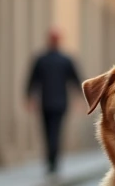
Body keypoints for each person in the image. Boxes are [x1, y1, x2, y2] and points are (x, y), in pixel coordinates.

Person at [25, 28, 82, 175]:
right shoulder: (60, 60)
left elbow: (75, 80)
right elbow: (33, 80)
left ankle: (52, 161)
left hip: (50, 102)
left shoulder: (45, 59)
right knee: (53, 132)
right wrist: (29, 97)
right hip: (56, 102)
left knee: (50, 132)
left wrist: (29, 97)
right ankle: (52, 161)